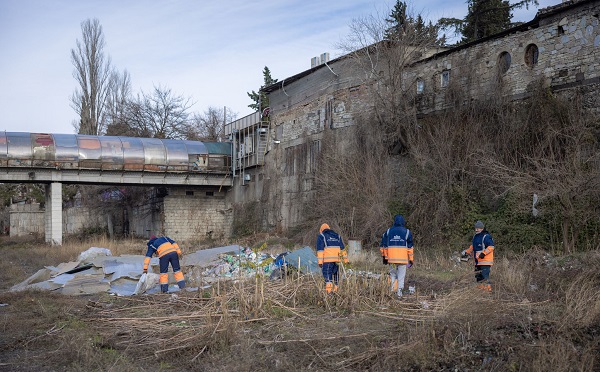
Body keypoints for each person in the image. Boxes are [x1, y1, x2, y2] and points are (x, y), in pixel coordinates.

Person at [380, 215, 414, 298]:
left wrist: (384, 257)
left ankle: (392, 292)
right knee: (401, 277)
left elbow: (383, 245)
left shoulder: (388, 232)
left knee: (392, 275)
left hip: (391, 259)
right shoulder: (407, 232)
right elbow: (410, 247)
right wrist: (411, 259)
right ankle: (399, 294)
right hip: (403, 260)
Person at [462, 220, 495, 292]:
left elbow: (491, 247)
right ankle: (480, 291)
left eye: (478, 228)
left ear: (482, 228)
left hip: (486, 261)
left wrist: (483, 253)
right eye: (476, 228)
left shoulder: (486, 236)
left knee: (484, 276)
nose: (476, 229)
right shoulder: (475, 236)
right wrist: (466, 252)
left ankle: (487, 291)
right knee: (478, 276)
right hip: (478, 261)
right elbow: (473, 246)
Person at [316, 223, 349, 293]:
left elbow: (320, 251)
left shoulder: (322, 236)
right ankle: (336, 291)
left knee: (328, 277)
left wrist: (320, 262)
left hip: (327, 261)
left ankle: (329, 293)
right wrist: (346, 261)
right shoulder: (337, 236)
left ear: (321, 230)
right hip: (337, 261)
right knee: (336, 277)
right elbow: (343, 249)